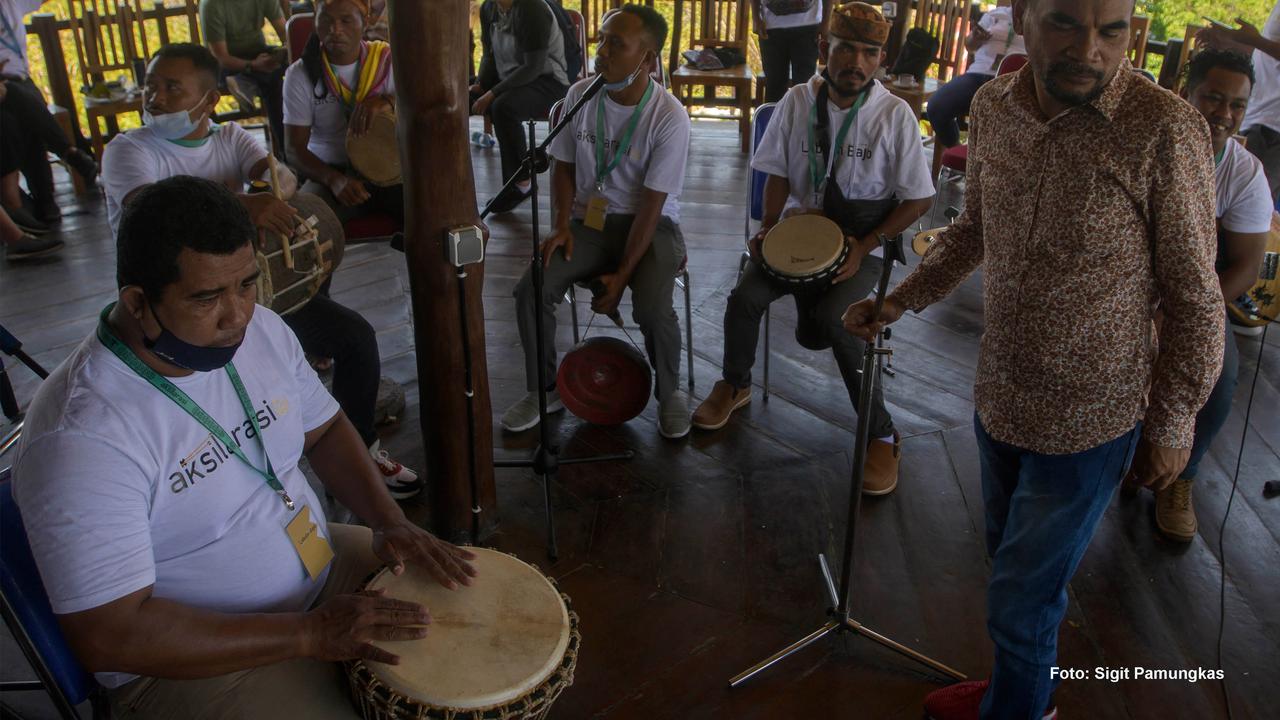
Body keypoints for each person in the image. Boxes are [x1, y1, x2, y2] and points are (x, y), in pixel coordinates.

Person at [842, 1, 1225, 718]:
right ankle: (1027, 688)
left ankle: (1020, 707)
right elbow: (975, 227)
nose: (1090, 49)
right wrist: (902, 300)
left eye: (1111, 30)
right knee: (1012, 566)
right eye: (1064, 23)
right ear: (1022, 16)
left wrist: (1173, 421)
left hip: (1092, 414)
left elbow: (1196, 298)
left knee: (1024, 592)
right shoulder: (995, 106)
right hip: (1002, 390)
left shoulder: (1164, 128)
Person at [11, 176, 477, 720]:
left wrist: (387, 519)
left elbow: (324, 430)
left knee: (468, 628)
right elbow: (113, 636)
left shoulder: (264, 330)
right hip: (191, 662)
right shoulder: (82, 437)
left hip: (321, 572)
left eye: (247, 285)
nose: (238, 318)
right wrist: (308, 635)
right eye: (207, 298)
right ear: (138, 302)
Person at [102, 43, 421, 499]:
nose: (154, 97)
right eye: (150, 86)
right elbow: (153, 211)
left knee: (356, 338)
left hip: (245, 297)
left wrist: (273, 188)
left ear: (210, 100)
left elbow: (279, 176)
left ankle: (362, 451)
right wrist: (246, 203)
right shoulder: (129, 151)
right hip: (167, 312)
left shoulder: (229, 137)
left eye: (171, 87)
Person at [694, 1, 931, 497]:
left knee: (845, 323)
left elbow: (920, 197)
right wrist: (769, 227)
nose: (857, 62)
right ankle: (734, 382)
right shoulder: (797, 101)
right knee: (745, 297)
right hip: (801, 230)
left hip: (864, 238)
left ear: (880, 59)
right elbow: (776, 171)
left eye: (870, 53)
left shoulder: (895, 116)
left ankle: (882, 432)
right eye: (846, 49)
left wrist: (864, 246)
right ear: (824, 48)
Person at [502, 4, 693, 438]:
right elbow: (564, 167)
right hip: (588, 223)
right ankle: (544, 388)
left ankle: (670, 393)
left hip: (651, 225)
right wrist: (561, 226)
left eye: (616, 44)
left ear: (646, 58)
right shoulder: (579, 96)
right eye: (601, 39)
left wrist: (623, 275)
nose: (601, 51)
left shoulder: (668, 116)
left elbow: (651, 206)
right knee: (533, 285)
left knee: (650, 306)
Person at [1126, 48, 1270, 542]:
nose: (1223, 115)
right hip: (1125, 289)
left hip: (1198, 299)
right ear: (1184, 93)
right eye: (1212, 97)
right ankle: (1104, 456)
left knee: (1220, 377)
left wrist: (1177, 313)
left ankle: (1179, 478)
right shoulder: (1141, 144)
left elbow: (1246, 268)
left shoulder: (1244, 173)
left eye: (1237, 105)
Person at [283, 0, 402, 225]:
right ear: (315, 23)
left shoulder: (387, 61)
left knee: (432, 214)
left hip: (392, 172)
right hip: (330, 172)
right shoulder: (300, 74)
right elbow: (293, 149)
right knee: (305, 225)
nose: (335, 30)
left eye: (346, 20)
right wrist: (334, 180)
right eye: (326, 20)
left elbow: (422, 105)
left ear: (365, 22)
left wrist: (385, 101)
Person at [0, 0, 97, 222]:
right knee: (19, 111)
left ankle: (45, 200)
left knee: (26, 115)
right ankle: (68, 155)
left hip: (20, 81)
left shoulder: (10, 4)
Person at [471, 0, 570, 212]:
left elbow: (533, 67)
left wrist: (493, 93)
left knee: (503, 107)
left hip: (548, 81)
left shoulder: (531, 8)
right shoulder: (489, 8)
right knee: (459, 98)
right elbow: (489, 54)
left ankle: (520, 184)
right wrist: (481, 84)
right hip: (512, 79)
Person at [924, 0, 1025, 179]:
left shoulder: (1036, 21)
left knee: (1011, 125)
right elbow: (969, 46)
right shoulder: (995, 15)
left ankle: (992, 175)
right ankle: (957, 154)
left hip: (1013, 82)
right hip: (979, 75)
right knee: (937, 106)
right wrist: (976, 38)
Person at [1198, 4, 1280, 205]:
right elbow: (1267, 58)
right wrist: (1232, 43)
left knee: (1250, 203)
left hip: (1273, 128)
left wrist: (1254, 39)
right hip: (1258, 117)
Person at [199, 0, 289, 156]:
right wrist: (253, 65)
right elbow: (220, 57)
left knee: (293, 63)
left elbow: (286, 34)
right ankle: (286, 152)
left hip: (259, 54)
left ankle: (244, 84)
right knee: (273, 83)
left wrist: (284, 52)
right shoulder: (212, 5)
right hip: (225, 64)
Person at [752, 0, 830, 103]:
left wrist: (826, 21)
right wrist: (756, 18)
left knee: (804, 86)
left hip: (808, 26)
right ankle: (775, 118)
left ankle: (801, 119)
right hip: (771, 27)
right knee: (774, 86)